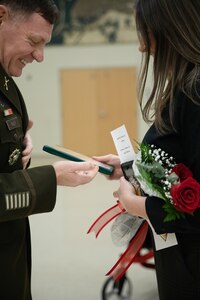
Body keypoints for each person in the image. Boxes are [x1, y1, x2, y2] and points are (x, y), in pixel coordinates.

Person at [95, 0, 200, 299]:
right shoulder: (187, 88)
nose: (143, 47)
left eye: (146, 34)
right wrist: (134, 169)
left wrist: (137, 205)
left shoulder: (195, 94)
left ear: (170, 30)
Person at [0, 1, 99, 299]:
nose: (40, 56)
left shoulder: (6, 80)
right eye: (34, 42)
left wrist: (19, 147)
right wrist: (51, 176)